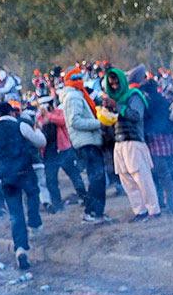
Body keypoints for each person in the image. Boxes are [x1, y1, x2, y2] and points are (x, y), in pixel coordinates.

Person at [0, 102, 46, 270]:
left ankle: (20, 248)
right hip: (24, 171)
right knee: (33, 194)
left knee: (15, 213)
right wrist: (38, 129)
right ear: (12, 112)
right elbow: (40, 142)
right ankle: (34, 221)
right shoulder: (20, 125)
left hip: (5, 176)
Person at [103, 67, 161, 222]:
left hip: (134, 141)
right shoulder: (116, 99)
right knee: (126, 179)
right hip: (119, 143)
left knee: (142, 178)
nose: (114, 85)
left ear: (122, 81)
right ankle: (140, 211)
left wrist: (117, 107)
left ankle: (153, 210)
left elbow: (136, 116)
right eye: (111, 83)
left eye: (116, 82)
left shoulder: (134, 95)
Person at [132, 64, 173, 216]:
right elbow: (172, 120)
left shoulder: (147, 103)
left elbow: (144, 123)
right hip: (169, 142)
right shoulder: (163, 101)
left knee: (163, 176)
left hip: (155, 142)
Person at [60, 67, 108, 223]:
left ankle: (95, 212)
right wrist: (98, 123)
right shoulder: (73, 97)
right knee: (97, 178)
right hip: (86, 141)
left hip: (88, 141)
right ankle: (93, 213)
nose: (80, 80)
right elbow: (75, 121)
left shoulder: (76, 95)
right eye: (76, 78)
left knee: (97, 178)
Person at [39, 101, 89, 213]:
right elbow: (38, 128)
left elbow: (63, 121)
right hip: (49, 153)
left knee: (74, 175)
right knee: (51, 180)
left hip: (63, 149)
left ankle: (84, 197)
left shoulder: (59, 112)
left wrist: (49, 116)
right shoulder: (39, 117)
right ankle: (57, 205)